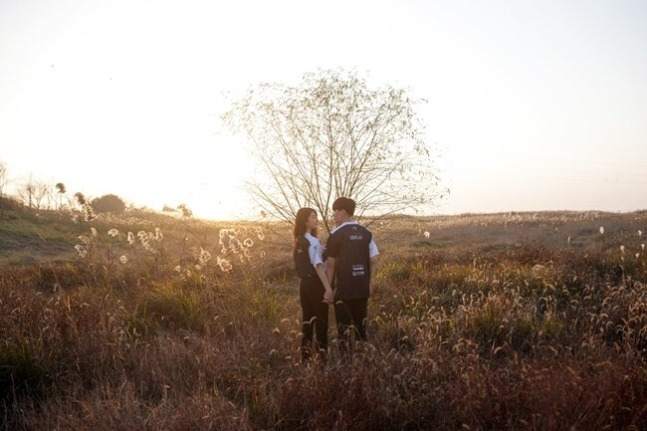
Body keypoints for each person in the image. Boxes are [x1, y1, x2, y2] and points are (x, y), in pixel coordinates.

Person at [325, 197, 379, 351]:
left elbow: (330, 264)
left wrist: (329, 288)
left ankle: (347, 366)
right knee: (361, 328)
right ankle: (364, 362)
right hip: (362, 288)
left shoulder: (335, 234)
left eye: (335, 212)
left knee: (344, 331)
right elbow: (374, 259)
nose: (333, 216)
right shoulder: (366, 232)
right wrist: (369, 283)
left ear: (343, 212)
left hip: (343, 290)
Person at [293, 207, 334, 362]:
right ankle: (323, 360)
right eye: (312, 217)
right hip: (316, 284)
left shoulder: (299, 241)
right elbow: (318, 266)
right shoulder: (312, 241)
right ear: (305, 221)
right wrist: (328, 289)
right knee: (321, 322)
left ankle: (306, 358)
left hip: (304, 285)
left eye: (316, 216)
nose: (316, 219)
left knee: (307, 321)